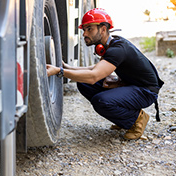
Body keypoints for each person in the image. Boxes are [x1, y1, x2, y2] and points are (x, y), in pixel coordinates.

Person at [46, 8, 164, 140]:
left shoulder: (117, 49)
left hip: (145, 91)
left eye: (89, 29)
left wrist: (60, 72)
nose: (84, 33)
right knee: (84, 84)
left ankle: (136, 119)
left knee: (101, 101)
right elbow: (95, 68)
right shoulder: (111, 45)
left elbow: (93, 76)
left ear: (103, 29)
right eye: (84, 29)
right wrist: (67, 67)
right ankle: (123, 118)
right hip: (132, 85)